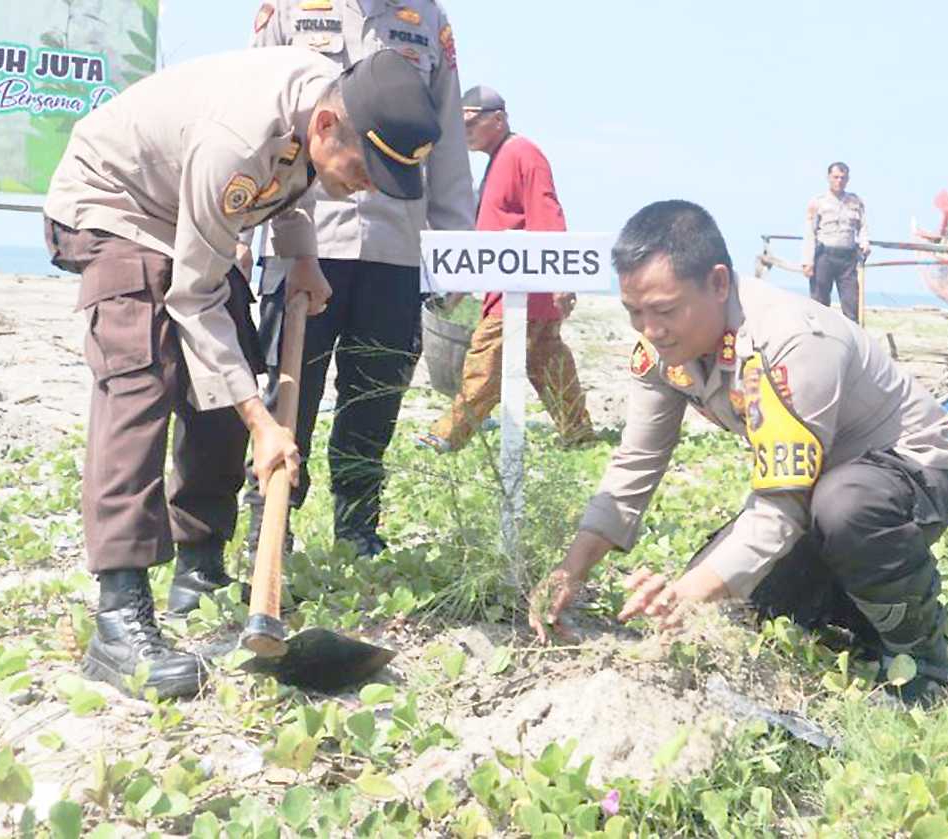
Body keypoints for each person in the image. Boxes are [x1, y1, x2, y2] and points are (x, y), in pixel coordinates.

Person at [43, 48, 441, 698]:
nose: (369, 187)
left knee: (232, 359)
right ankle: (118, 618)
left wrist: (303, 258)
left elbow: (283, 184)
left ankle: (198, 571)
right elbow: (192, 293)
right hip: (114, 201)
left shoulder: (323, 106)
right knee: (143, 367)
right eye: (367, 172)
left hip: (182, 213)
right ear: (327, 129)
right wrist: (264, 425)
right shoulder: (240, 137)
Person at [529, 201, 948, 701]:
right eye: (635, 312)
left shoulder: (791, 338)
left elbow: (784, 504)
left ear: (718, 283)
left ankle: (922, 659)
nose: (650, 330)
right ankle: (861, 610)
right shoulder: (660, 351)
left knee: (841, 510)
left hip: (908, 473)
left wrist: (688, 592)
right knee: (736, 604)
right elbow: (635, 464)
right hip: (814, 485)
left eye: (666, 311)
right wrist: (570, 571)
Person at [244, 0, 474, 558]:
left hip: (396, 243)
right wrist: (243, 235)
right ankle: (269, 522)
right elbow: (259, 114)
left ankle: (356, 527)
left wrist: (454, 241)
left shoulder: (428, 18)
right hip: (301, 235)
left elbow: (444, 136)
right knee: (289, 390)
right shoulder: (288, 9)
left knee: (374, 396)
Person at [419, 85, 595, 453]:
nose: (463, 132)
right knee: (549, 365)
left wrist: (562, 278)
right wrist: (459, 287)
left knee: (486, 361)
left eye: (470, 123)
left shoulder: (523, 154)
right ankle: (578, 435)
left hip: (524, 291)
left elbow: (546, 213)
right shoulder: (501, 158)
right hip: (517, 289)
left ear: (496, 120)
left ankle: (446, 436)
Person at [801, 162, 871, 321]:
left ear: (848, 179)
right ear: (828, 178)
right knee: (819, 304)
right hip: (824, 256)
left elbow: (863, 227)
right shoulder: (818, 202)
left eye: (843, 178)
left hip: (847, 258)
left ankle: (853, 342)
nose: (839, 181)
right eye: (836, 177)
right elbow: (809, 233)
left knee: (852, 304)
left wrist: (865, 243)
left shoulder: (855, 202)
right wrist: (807, 261)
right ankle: (819, 341)